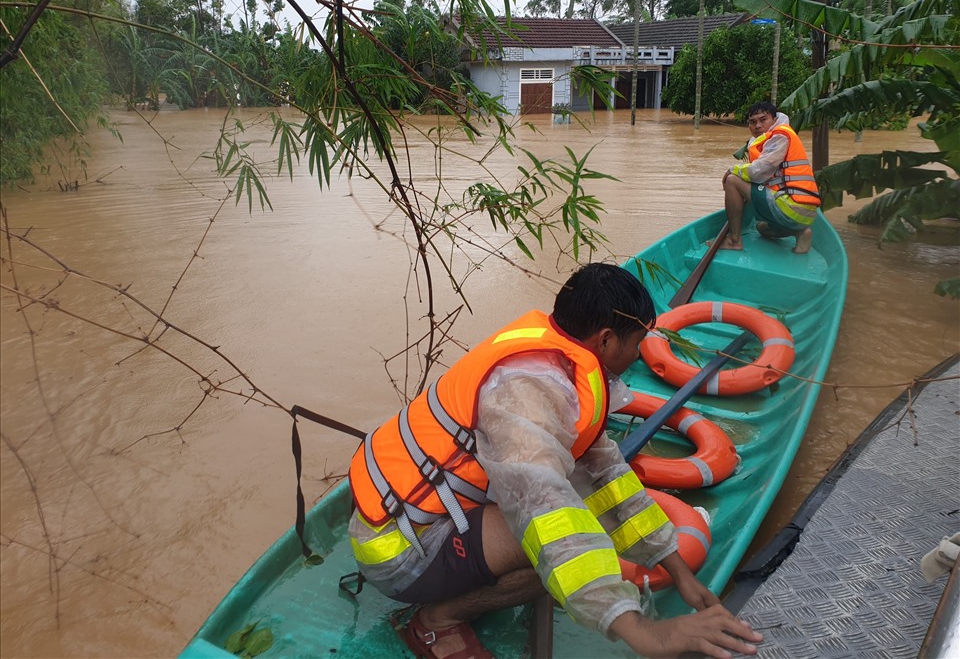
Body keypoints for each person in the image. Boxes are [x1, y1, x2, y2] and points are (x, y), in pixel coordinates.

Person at [347, 263, 763, 659]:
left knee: (589, 508)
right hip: (398, 551)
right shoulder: (528, 390)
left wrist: (676, 568)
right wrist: (642, 631)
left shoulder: (560, 356)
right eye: (636, 343)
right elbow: (546, 510)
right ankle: (437, 619)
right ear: (605, 341)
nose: (639, 355)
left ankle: (465, 581)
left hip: (417, 515)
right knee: (556, 539)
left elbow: (607, 475)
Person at [717, 101, 821, 253]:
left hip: (790, 207)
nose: (757, 125)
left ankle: (734, 241)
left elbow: (760, 171)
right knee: (762, 228)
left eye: (763, 119)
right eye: (752, 122)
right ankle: (800, 232)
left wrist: (732, 169)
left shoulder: (780, 136)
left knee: (732, 180)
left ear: (774, 119)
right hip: (805, 215)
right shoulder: (776, 137)